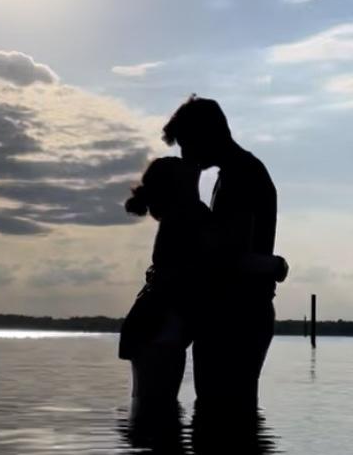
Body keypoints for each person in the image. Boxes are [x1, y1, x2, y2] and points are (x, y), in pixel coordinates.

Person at [119, 156, 285, 420]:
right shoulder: (188, 216)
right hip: (160, 329)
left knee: (150, 407)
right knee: (155, 409)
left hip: (154, 327)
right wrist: (276, 265)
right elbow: (226, 258)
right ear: (181, 184)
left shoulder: (183, 215)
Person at [162, 95, 280, 411]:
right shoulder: (233, 174)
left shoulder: (242, 175)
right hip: (233, 313)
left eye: (186, 144)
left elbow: (228, 249)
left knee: (222, 412)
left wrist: (188, 203)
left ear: (206, 136)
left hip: (236, 317)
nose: (184, 154)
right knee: (224, 415)